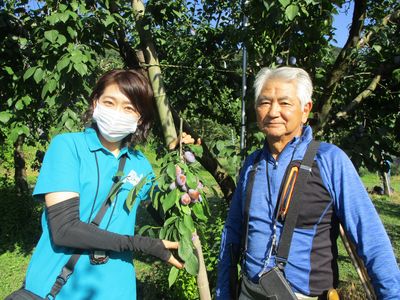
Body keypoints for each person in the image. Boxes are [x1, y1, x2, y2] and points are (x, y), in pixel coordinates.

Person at [216, 67, 400, 299]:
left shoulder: (329, 161)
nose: (273, 112)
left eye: (284, 103)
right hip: (250, 291)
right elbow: (232, 233)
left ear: (305, 110)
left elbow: (370, 237)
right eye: (264, 102)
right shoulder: (252, 165)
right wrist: (223, 292)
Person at [21, 69, 184, 299]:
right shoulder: (68, 147)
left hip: (117, 290)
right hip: (60, 288)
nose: (118, 113)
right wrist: (141, 244)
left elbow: (166, 211)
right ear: (95, 102)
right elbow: (64, 229)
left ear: (140, 118)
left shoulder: (140, 164)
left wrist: (181, 168)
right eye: (110, 102)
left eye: (129, 108)